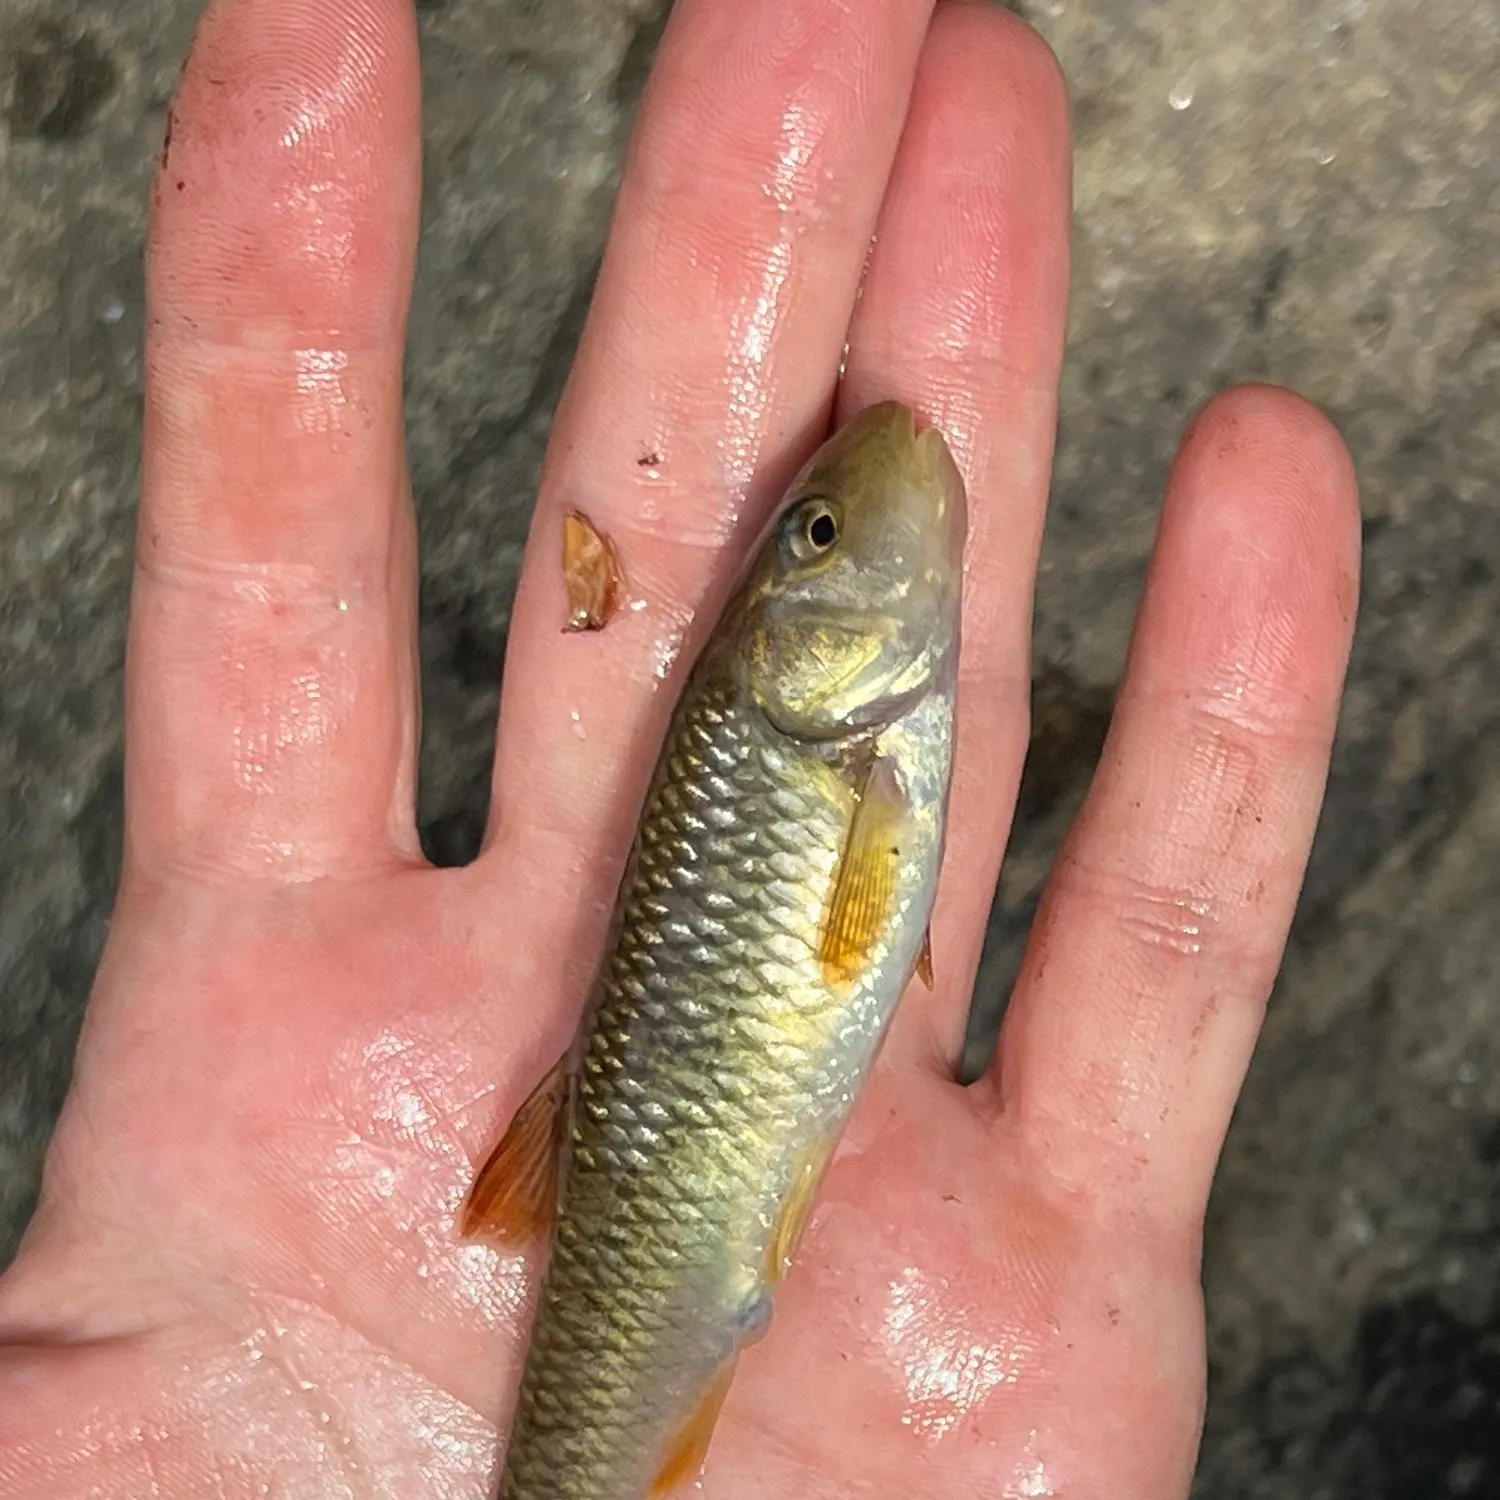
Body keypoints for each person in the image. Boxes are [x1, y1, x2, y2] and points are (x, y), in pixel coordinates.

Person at [0, 0, 1360, 1494]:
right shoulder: (827, 740)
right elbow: (861, 928)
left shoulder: (820, 740)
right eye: (817, 535)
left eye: (812, 530)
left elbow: (857, 923)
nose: (838, 522)